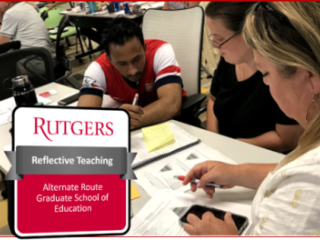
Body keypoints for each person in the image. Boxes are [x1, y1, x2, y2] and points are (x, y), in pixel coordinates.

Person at [182, 2, 320, 236]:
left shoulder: (306, 191)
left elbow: (303, 181)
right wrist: (237, 172)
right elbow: (290, 173)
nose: (264, 82)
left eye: (265, 73)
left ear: (309, 75)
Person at [204, 2, 303, 153]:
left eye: (219, 39)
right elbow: (213, 98)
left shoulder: (280, 72)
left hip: (258, 156)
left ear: (247, 33)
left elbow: (288, 140)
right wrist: (213, 139)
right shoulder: (229, 61)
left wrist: (236, 145)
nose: (214, 46)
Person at [77, 18, 184, 130]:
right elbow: (84, 120)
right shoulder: (97, 68)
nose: (133, 71)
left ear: (144, 48)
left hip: (171, 125)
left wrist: (120, 121)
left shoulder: (161, 51)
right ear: (109, 59)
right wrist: (118, 120)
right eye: (122, 63)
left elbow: (171, 105)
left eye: (137, 59)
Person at [0, 2, 57, 76]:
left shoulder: (11, 13)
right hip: (47, 58)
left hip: (36, 63)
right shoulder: (26, 6)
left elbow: (2, 43)